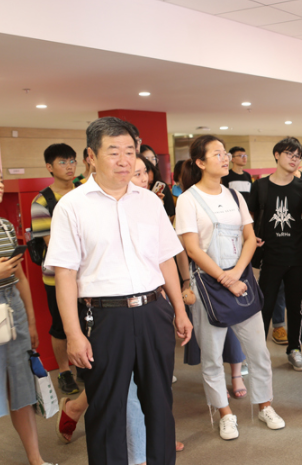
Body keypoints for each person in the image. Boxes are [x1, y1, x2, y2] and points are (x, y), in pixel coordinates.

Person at [45, 116, 192, 465]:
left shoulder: (149, 201)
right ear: (91, 156)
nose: (124, 160)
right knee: (107, 409)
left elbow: (165, 260)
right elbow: (65, 275)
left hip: (154, 311)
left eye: (130, 151)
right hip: (104, 317)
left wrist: (179, 310)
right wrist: (73, 335)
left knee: (160, 403)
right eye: (114, 152)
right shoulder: (72, 206)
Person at [176, 134, 285, 440]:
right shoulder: (188, 200)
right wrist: (225, 279)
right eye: (217, 154)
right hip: (208, 287)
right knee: (212, 358)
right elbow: (192, 249)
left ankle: (265, 406)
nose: (225, 158)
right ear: (200, 163)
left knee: (259, 352)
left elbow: (249, 237)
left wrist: (237, 274)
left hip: (242, 281)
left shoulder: (235, 196)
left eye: (225, 153)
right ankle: (225, 414)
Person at [0, 174, 56, 465]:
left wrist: (31, 322)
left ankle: (36, 460)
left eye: (0, 179)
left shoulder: (5, 226)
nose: (0, 185)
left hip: (13, 308)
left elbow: (20, 276)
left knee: (21, 387)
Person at [248, 137, 302, 371]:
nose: (294, 159)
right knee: (264, 307)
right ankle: (257, 353)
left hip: (297, 256)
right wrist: (250, 240)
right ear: (277, 155)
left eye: (298, 156)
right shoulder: (260, 186)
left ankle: (294, 350)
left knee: (296, 306)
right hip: (270, 256)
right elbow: (249, 218)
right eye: (289, 154)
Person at [30, 143, 79, 394]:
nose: (69, 166)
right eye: (62, 162)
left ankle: (85, 366)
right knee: (61, 326)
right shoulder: (41, 202)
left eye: (72, 161)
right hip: (57, 277)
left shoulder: (84, 191)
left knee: (88, 322)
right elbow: (53, 244)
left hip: (88, 274)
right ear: (49, 167)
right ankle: (64, 371)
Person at [142, 145, 176, 222]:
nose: (150, 161)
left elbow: (171, 213)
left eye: (153, 158)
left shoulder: (161, 185)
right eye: (146, 158)